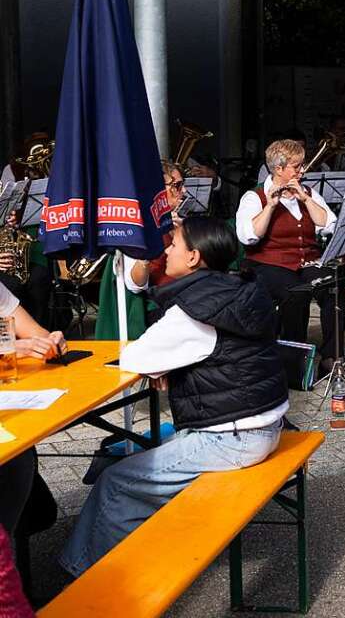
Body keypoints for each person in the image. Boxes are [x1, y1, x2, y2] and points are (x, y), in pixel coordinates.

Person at [60, 217, 287, 576]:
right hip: (265, 423)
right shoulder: (238, 288)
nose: (165, 250)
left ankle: (93, 584)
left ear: (194, 257)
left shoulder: (193, 312)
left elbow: (135, 357)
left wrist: (164, 364)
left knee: (116, 485)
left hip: (232, 437)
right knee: (140, 453)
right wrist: (172, 365)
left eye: (174, 244)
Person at [236, 139, 343, 364]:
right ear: (278, 169)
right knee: (296, 292)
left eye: (302, 165)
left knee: (334, 284)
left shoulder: (308, 193)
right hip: (268, 263)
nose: (302, 171)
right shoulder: (254, 197)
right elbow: (248, 235)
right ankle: (294, 359)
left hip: (306, 262)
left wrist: (305, 199)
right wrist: (271, 206)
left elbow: (329, 223)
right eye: (297, 166)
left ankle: (332, 355)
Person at [0, 281, 67, 538]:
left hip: (11, 402)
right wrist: (9, 347)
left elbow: (35, 333)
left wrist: (51, 340)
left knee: (19, 456)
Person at [124, 161, 186, 305]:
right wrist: (146, 252)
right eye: (176, 186)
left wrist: (183, 233)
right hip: (162, 302)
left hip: (187, 295)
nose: (184, 191)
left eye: (182, 184)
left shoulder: (180, 220)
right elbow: (135, 286)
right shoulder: (137, 226)